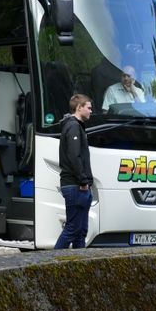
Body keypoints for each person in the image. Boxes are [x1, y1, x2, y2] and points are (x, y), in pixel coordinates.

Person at [54, 94, 94, 249]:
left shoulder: (76, 127)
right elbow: (74, 156)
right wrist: (83, 181)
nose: (91, 111)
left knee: (81, 231)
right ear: (79, 107)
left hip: (78, 185)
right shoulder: (73, 127)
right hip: (75, 185)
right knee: (73, 229)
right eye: (88, 108)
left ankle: (80, 266)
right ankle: (51, 262)